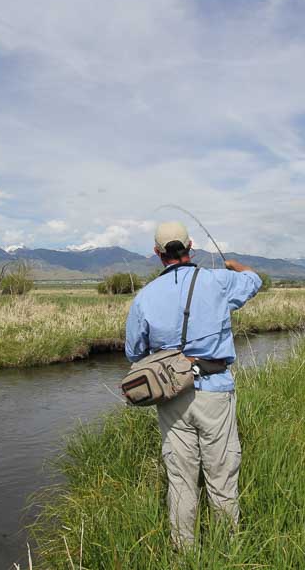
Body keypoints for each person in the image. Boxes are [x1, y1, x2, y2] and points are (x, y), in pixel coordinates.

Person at [124, 220, 262, 547]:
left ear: (158, 254)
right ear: (191, 248)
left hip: (171, 395)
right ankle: (227, 551)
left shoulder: (145, 297)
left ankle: (183, 554)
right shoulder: (219, 280)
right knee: (222, 478)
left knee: (181, 481)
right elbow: (254, 280)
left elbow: (133, 352)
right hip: (215, 391)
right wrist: (235, 265)